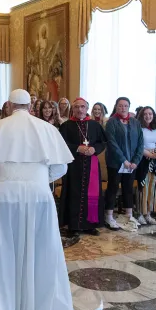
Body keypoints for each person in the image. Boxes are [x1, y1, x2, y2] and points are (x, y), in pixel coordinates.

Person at [0, 89, 74, 310]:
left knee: (0, 256)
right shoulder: (46, 128)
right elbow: (61, 167)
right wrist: (39, 180)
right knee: (40, 254)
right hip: (38, 194)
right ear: (30, 105)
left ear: (9, 105)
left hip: (1, 194)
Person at [59, 98, 106, 237]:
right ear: (72, 109)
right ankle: (73, 226)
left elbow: (102, 142)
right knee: (73, 194)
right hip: (73, 166)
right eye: (77, 107)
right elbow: (61, 144)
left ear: (87, 109)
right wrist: (77, 148)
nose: (80, 110)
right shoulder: (66, 126)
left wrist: (94, 149)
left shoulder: (94, 125)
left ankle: (90, 225)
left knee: (91, 194)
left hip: (91, 166)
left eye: (83, 107)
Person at [104, 97, 144, 231]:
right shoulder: (111, 122)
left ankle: (129, 215)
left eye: (125, 106)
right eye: (120, 106)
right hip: (116, 162)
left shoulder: (135, 123)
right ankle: (109, 216)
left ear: (129, 107)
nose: (123, 108)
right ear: (116, 107)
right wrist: (124, 160)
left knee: (128, 188)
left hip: (131, 164)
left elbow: (140, 142)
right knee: (113, 187)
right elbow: (112, 143)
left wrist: (135, 161)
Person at [136, 106, 156, 226]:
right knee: (143, 187)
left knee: (153, 188)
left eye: (150, 114)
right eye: (145, 114)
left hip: (155, 160)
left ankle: (149, 214)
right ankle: (140, 214)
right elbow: (139, 146)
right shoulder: (139, 128)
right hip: (144, 159)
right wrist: (152, 155)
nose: (148, 116)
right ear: (142, 116)